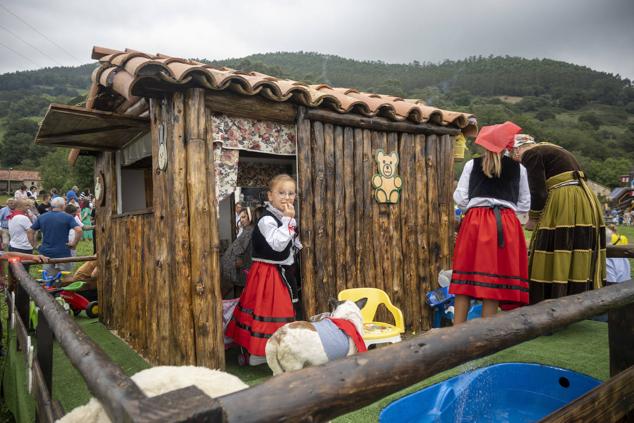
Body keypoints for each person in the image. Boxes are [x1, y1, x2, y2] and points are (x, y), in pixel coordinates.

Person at [449, 122, 530, 323]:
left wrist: (476, 206)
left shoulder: (471, 165)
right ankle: (486, 334)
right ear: (505, 146)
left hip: (475, 222)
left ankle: (456, 330)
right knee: (493, 280)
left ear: (485, 145)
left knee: (464, 276)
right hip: (505, 223)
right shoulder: (519, 169)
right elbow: (524, 203)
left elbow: (460, 197)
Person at [511, 135, 606, 303]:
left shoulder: (530, 154)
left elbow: (538, 190)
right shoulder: (553, 148)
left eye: (513, 154)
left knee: (551, 243)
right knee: (576, 246)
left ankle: (550, 295)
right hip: (584, 198)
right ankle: (574, 296)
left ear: (517, 150)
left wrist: (533, 218)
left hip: (564, 198)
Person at [226, 175, 302, 366]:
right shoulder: (266, 220)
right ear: (270, 196)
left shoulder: (283, 217)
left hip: (282, 270)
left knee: (285, 308)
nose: (286, 197)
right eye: (281, 193)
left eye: (290, 193)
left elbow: (289, 242)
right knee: (269, 309)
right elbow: (277, 244)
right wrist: (288, 222)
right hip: (268, 273)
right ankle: (259, 353)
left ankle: (280, 348)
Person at [28, 197, 82, 272]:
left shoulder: (42, 217)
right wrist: (74, 244)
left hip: (46, 253)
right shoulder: (68, 217)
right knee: (66, 277)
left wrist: (34, 245)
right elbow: (79, 230)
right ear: (63, 206)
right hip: (63, 252)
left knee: (49, 278)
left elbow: (30, 231)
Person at [221, 207, 255, 298]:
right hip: (241, 266)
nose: (241, 220)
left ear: (250, 217)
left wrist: (234, 259)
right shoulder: (245, 230)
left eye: (244, 217)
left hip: (243, 266)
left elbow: (239, 249)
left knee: (240, 291)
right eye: (240, 217)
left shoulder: (249, 231)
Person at [8, 200, 35, 270]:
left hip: (13, 245)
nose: (28, 207)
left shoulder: (12, 215)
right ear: (20, 206)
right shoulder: (23, 218)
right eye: (26, 205)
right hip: (23, 248)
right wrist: (32, 244)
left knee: (13, 270)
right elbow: (30, 231)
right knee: (23, 272)